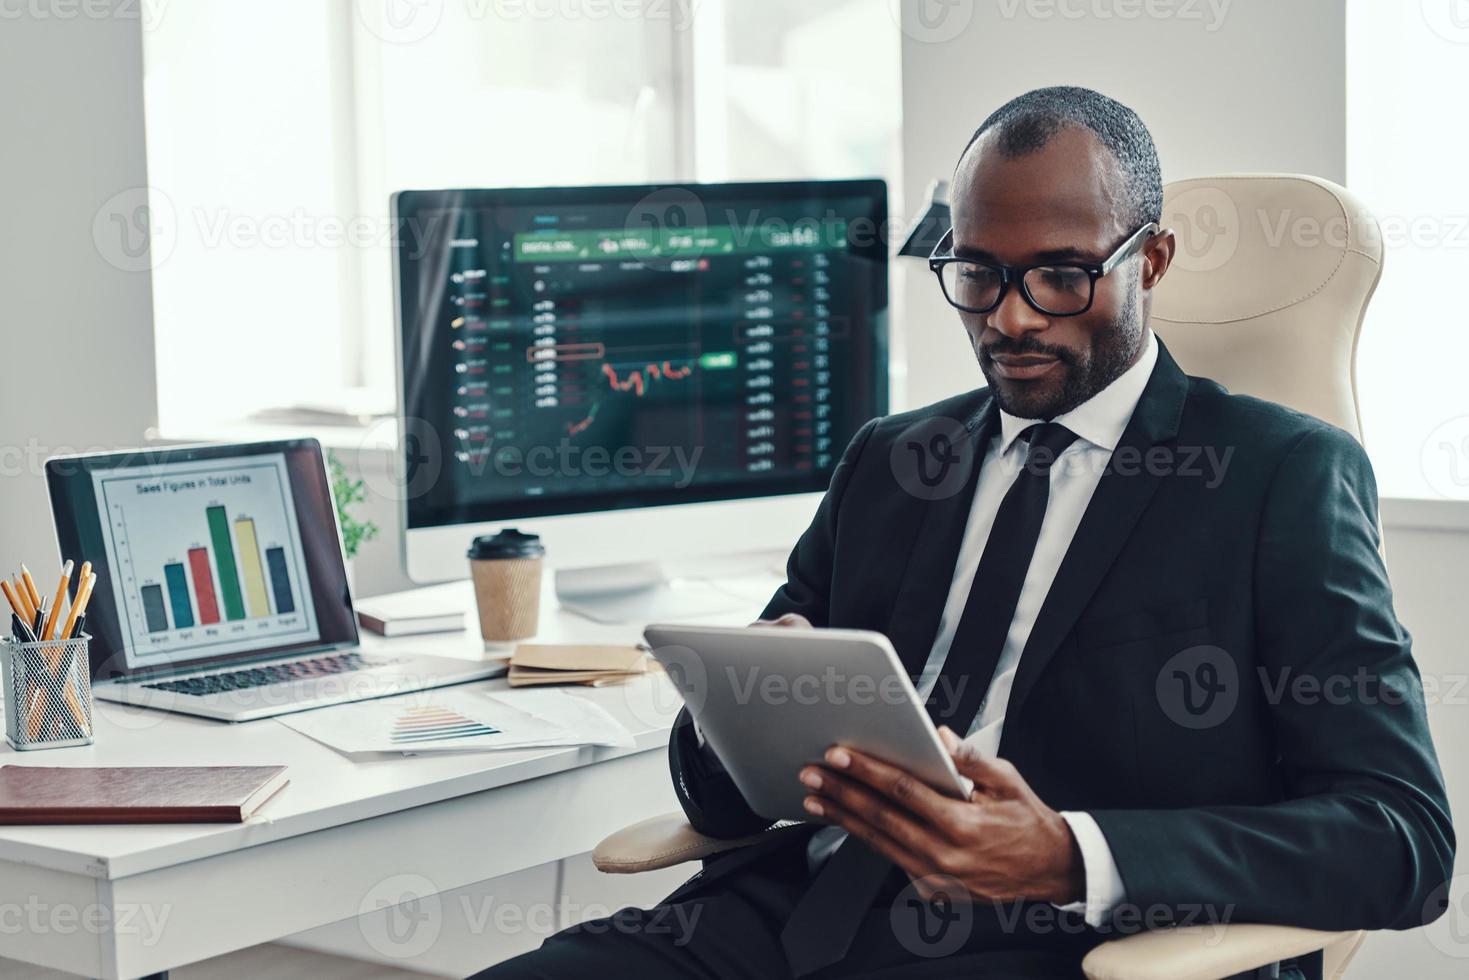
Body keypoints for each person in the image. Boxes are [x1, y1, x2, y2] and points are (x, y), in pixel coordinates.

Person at [475, 85, 1454, 980]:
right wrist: (734, 721)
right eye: (976, 275)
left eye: (1060, 278)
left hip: (1062, 948)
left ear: (1149, 259)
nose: (1010, 319)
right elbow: (728, 797)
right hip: (790, 916)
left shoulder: (1279, 475)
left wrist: (1067, 851)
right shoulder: (889, 460)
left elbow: (1399, 838)